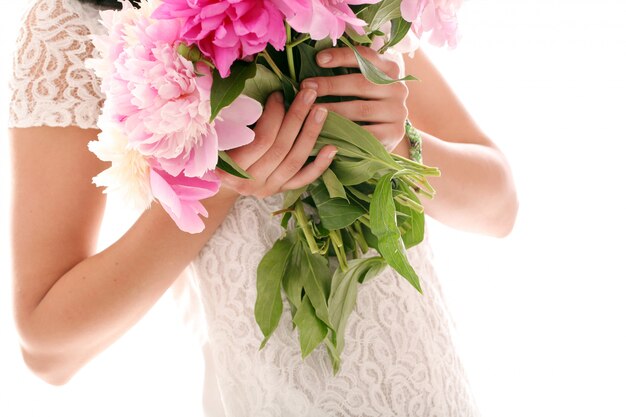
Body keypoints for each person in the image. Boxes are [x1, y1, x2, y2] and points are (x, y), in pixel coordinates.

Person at [7, 0, 518, 415]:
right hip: (268, 394)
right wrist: (219, 183)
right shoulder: (67, 30)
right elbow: (47, 347)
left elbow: (500, 208)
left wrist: (399, 143)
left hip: (433, 390)